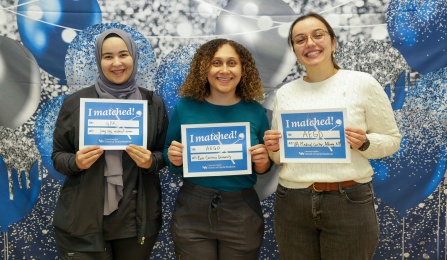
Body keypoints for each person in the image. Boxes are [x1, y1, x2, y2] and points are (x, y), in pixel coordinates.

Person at [263, 12, 402, 260]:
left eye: (318, 35)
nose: (310, 44)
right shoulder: (285, 93)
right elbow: (280, 158)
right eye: (300, 39)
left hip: (348, 201)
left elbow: (392, 140)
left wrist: (366, 143)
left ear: (333, 42)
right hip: (292, 202)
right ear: (294, 50)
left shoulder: (363, 83)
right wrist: (274, 148)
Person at [51, 28, 168, 260]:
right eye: (108, 56)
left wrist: (151, 161)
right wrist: (75, 161)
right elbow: (58, 156)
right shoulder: (76, 103)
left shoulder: (153, 103)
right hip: (84, 223)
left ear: (134, 57)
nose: (117, 63)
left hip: (135, 223)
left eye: (123, 54)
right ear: (99, 60)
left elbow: (164, 154)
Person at [164, 38, 272, 259]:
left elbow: (264, 167)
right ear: (204, 68)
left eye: (232, 63)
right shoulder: (185, 107)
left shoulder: (256, 111)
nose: (224, 70)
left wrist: (263, 162)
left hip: (241, 211)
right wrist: (173, 158)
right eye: (216, 63)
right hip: (192, 209)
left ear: (244, 69)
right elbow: (169, 153)